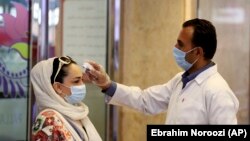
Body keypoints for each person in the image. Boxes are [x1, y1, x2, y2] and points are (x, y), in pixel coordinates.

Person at [85, 18, 239, 124]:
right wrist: (106, 84)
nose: (175, 48)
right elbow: (145, 100)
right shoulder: (180, 80)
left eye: (180, 44)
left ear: (197, 52)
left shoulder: (217, 91)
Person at [30, 56, 102, 141]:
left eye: (82, 79)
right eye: (76, 81)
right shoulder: (48, 121)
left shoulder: (77, 112)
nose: (82, 85)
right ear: (58, 87)